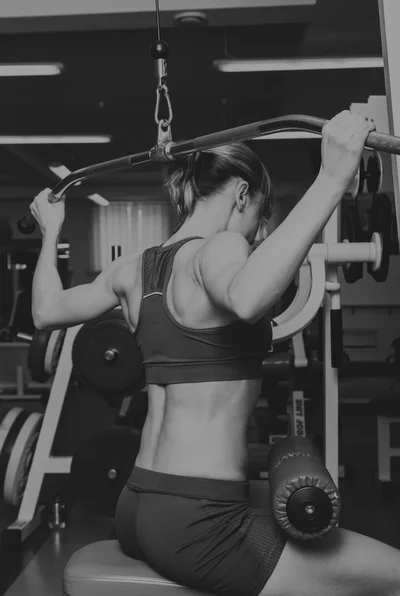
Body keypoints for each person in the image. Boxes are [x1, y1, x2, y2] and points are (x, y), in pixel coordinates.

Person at [30, 111, 400, 596]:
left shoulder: (133, 268)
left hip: (137, 502)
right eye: (258, 216)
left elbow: (45, 311)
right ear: (242, 194)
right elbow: (247, 299)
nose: (254, 233)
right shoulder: (221, 246)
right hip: (197, 519)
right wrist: (332, 179)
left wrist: (50, 232)